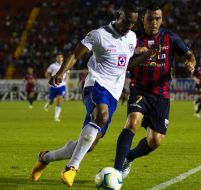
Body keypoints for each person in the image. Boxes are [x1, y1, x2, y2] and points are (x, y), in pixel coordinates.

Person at [31, 3, 143, 187]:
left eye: (133, 23)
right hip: (95, 84)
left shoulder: (132, 37)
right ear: (117, 16)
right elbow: (75, 54)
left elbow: (125, 64)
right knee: (101, 116)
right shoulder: (99, 34)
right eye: (126, 22)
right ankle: (71, 168)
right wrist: (61, 72)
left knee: (88, 145)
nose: (129, 27)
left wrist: (144, 55)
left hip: (113, 94)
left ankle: (46, 157)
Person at [113, 1, 196, 179]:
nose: (154, 22)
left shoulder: (170, 37)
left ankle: (129, 157)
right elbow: (124, 63)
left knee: (155, 140)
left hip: (161, 95)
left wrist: (191, 62)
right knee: (132, 122)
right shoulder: (132, 38)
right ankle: (116, 171)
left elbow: (188, 54)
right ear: (143, 19)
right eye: (150, 19)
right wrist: (140, 52)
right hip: (140, 90)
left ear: (161, 19)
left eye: (157, 19)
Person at [44, 54, 69, 122]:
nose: (59, 58)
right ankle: (49, 103)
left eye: (60, 57)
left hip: (62, 86)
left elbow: (67, 74)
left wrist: (66, 82)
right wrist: (51, 79)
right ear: (56, 58)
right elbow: (47, 74)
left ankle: (56, 117)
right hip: (53, 86)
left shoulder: (66, 65)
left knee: (59, 100)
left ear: (62, 59)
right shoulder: (52, 66)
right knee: (51, 100)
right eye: (58, 57)